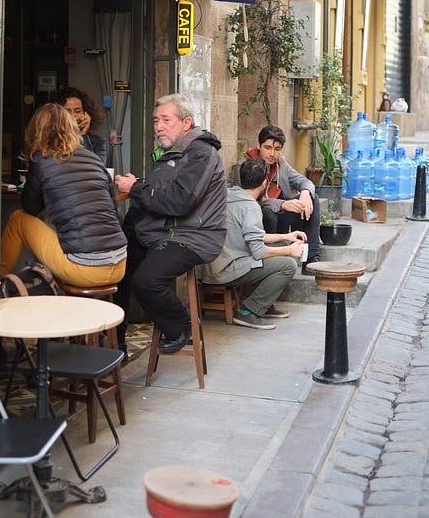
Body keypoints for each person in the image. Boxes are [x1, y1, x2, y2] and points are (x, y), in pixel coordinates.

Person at [115, 93, 227, 354]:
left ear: (186, 123)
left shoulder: (201, 152)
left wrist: (135, 188)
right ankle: (114, 345)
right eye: (156, 121)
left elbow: (179, 201)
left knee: (146, 280)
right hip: (166, 232)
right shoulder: (171, 152)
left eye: (166, 120)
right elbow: (165, 192)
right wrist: (141, 185)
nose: (158, 127)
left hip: (194, 236)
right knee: (119, 271)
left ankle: (182, 323)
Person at [0, 103, 127, 288]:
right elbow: (114, 211)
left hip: (85, 268)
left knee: (18, 219)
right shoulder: (93, 159)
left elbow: (31, 208)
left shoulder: (41, 160)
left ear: (36, 131)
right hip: (119, 264)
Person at [202, 157, 305, 329]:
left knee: (278, 249)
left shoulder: (226, 195)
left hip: (212, 265)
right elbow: (259, 252)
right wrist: (290, 250)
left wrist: (286, 237)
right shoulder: (250, 206)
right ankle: (248, 311)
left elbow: (255, 236)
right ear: (264, 183)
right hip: (225, 270)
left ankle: (265, 303)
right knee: (288, 265)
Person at [231, 124, 320, 275]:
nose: (272, 153)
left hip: (282, 217)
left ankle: (311, 259)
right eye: (267, 147)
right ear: (259, 146)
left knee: (313, 198)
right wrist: (282, 204)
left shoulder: (281, 165)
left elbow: (304, 181)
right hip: (259, 220)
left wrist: (305, 193)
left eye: (277, 149)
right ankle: (270, 262)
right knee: (267, 213)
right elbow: (248, 200)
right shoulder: (244, 166)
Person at [55, 87, 107, 164]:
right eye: (67, 111)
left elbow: (98, 168)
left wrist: (83, 136)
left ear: (86, 113)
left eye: (77, 111)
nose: (73, 115)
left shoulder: (97, 141)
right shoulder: (53, 139)